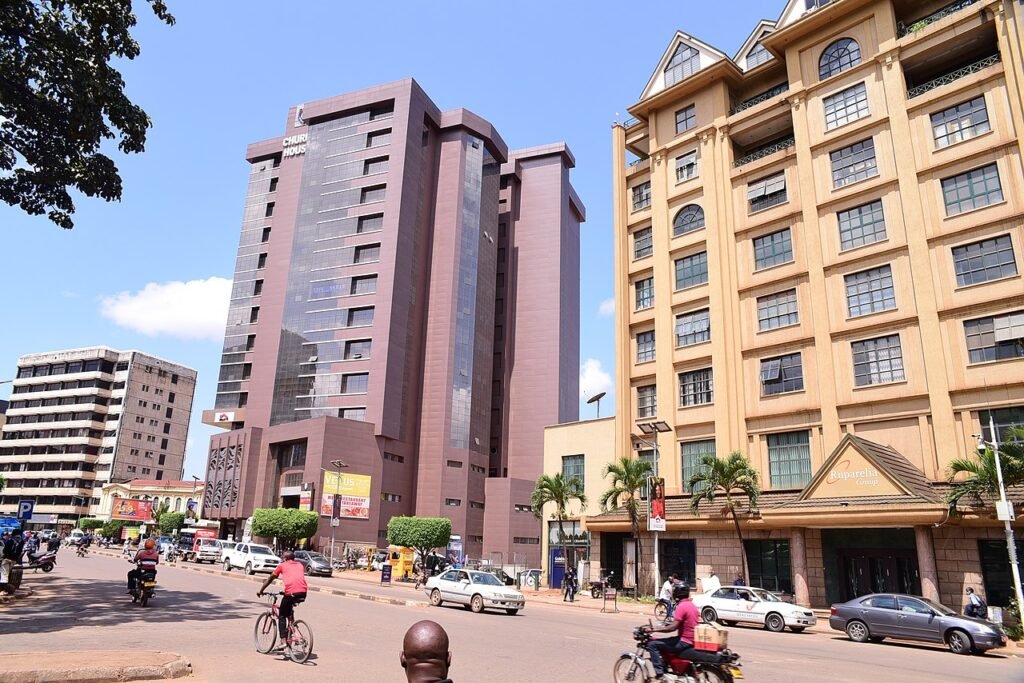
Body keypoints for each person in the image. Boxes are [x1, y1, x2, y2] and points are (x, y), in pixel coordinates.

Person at [644, 583, 700, 679]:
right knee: (667, 640)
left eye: (674, 591)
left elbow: (672, 628)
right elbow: (679, 623)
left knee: (652, 644)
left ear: (677, 593)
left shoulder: (681, 606)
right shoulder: (692, 605)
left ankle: (660, 673)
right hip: (692, 640)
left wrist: (653, 629)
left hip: (684, 641)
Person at [257, 551, 308, 642]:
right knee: (288, 610)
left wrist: (261, 591)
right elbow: (294, 578)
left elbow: (270, 579)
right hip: (303, 592)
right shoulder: (300, 565)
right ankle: (292, 629)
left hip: (291, 593)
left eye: (283, 557)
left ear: (285, 558)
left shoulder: (282, 565)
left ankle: (283, 640)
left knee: (282, 615)